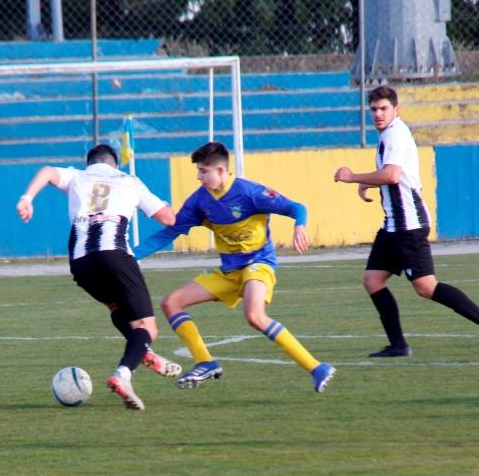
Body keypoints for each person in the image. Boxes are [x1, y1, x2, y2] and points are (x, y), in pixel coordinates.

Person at [133, 141, 336, 393]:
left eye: (203, 171)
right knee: (171, 302)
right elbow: (169, 233)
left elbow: (296, 207)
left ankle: (317, 367)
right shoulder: (199, 201)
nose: (199, 176)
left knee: (254, 316)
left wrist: (300, 225)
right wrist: (131, 255)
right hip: (230, 272)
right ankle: (205, 362)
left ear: (221, 171)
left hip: (258, 264)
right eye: (198, 171)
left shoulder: (249, 192)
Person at [333, 85, 479, 357]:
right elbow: (395, 177)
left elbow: (390, 175)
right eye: (374, 109)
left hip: (408, 225)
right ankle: (398, 345)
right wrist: (368, 183)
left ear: (396, 109)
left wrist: (354, 177)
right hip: (393, 225)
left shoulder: (395, 135)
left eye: (384, 108)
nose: (378, 114)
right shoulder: (390, 135)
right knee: (372, 280)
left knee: (426, 287)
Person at [16, 144, 181, 411]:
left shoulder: (77, 177)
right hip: (114, 255)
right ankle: (123, 375)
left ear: (90, 163)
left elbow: (47, 171)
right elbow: (169, 218)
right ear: (115, 164)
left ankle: (146, 354)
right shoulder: (129, 181)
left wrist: (27, 198)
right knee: (146, 328)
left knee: (116, 306)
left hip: (80, 262)